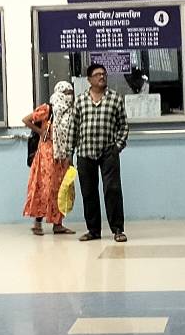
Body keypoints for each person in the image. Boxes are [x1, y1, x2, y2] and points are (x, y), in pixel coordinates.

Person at [69, 61, 129, 243]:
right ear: (89, 80)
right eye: (97, 74)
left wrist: (117, 146)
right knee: (89, 192)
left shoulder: (115, 99)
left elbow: (123, 125)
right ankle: (93, 230)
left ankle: (118, 229)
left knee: (112, 190)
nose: (101, 77)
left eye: (103, 74)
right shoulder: (80, 100)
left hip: (108, 152)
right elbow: (74, 128)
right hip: (85, 152)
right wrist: (69, 154)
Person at [20, 81, 74, 236]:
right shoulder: (48, 109)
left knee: (60, 188)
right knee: (45, 187)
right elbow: (26, 119)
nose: (69, 96)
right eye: (66, 93)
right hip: (46, 155)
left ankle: (58, 224)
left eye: (70, 93)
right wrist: (40, 132)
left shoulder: (70, 112)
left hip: (62, 155)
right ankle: (37, 223)